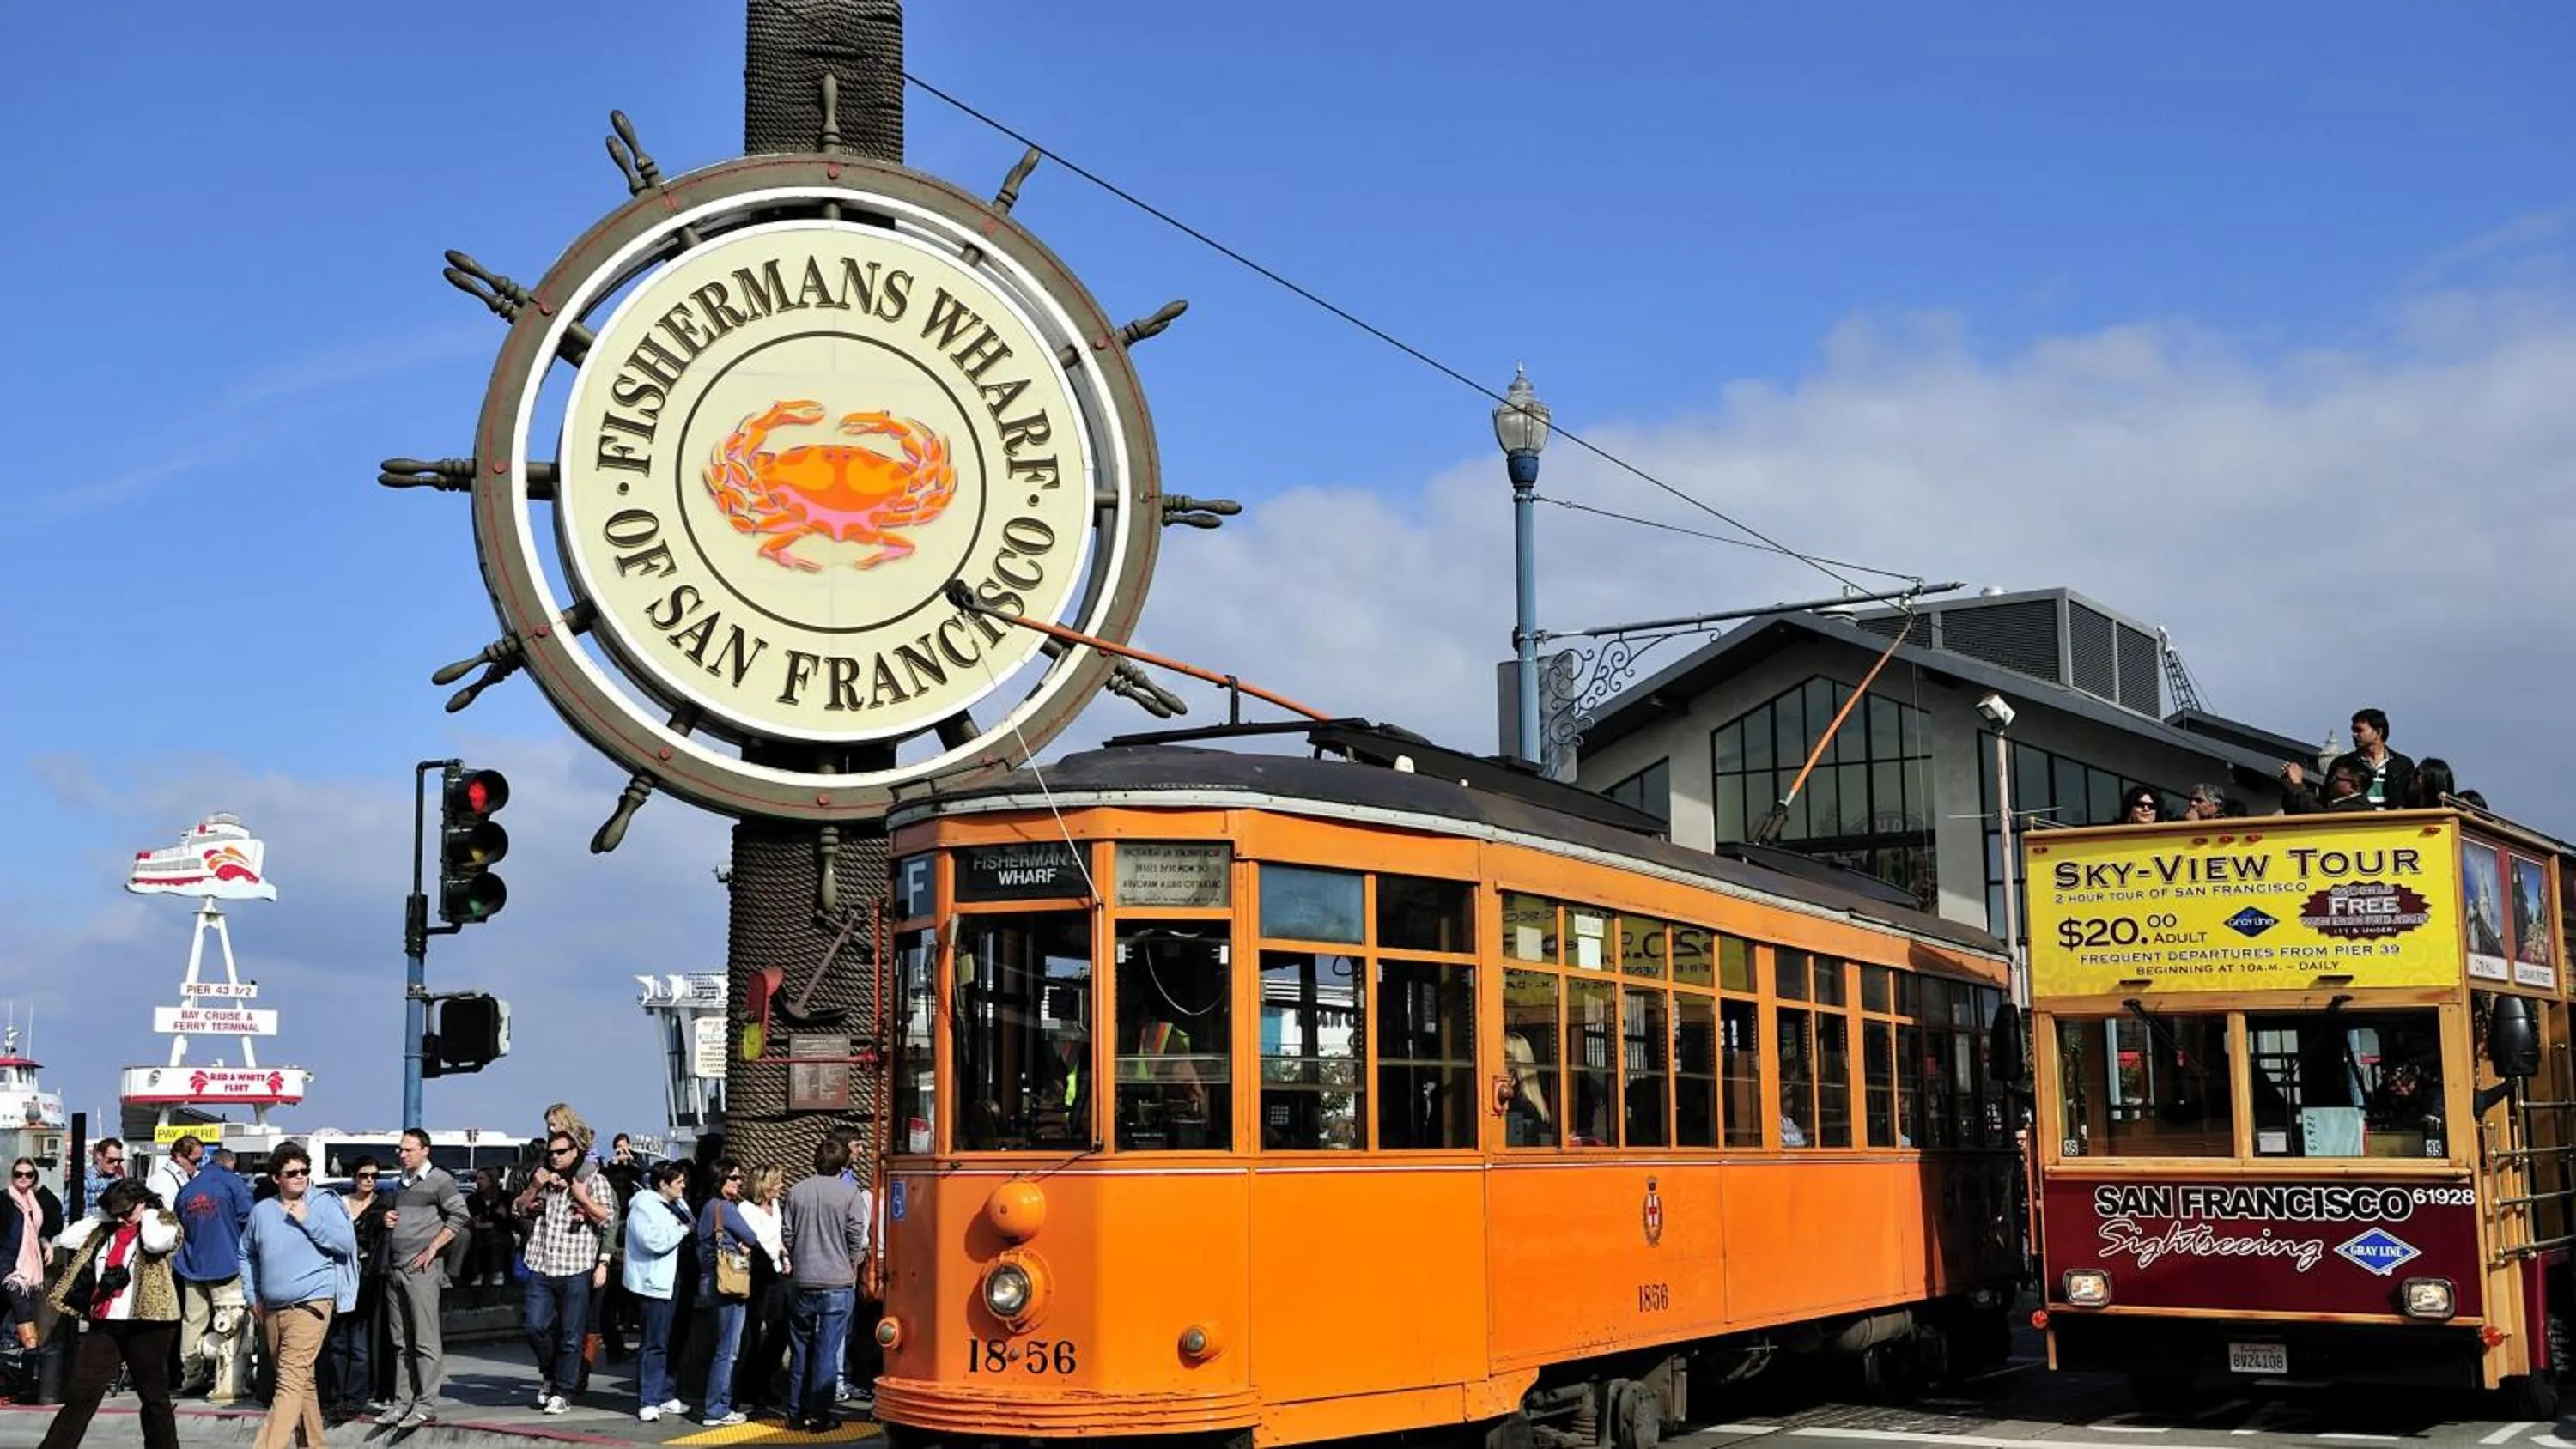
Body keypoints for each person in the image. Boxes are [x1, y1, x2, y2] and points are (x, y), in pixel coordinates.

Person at [37, 1178, 183, 1449]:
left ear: (141, 1202)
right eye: (116, 1212)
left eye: (126, 1211)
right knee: (82, 1393)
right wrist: (103, 1213)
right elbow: (68, 1239)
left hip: (150, 1322)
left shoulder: (163, 1221)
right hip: (106, 1321)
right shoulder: (107, 1229)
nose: (122, 1218)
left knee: (154, 1396)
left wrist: (146, 1212)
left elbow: (154, 1244)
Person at [238, 1142, 355, 1449]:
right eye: (292, 1173)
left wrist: (307, 1220)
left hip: (312, 1303)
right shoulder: (262, 1211)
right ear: (277, 1177)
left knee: (288, 1383)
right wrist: (252, 1295)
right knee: (302, 1383)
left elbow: (345, 1243)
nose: (301, 1177)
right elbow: (246, 1253)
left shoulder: (324, 1203)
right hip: (272, 1307)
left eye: (305, 1171)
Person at [514, 1129, 617, 1415]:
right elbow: (518, 1210)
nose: (555, 1157)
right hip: (541, 1263)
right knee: (534, 1326)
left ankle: (563, 1391)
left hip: (576, 1266)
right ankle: (550, 1373)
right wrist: (534, 1189)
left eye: (561, 1152)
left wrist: (582, 1198)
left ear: (575, 1153)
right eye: (551, 1153)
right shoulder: (542, 1178)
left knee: (572, 1335)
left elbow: (607, 1219)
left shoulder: (595, 1181)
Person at [377, 1129, 468, 1429]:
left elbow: (460, 1215)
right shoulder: (399, 1183)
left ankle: (426, 1404)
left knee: (425, 1340)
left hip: (421, 1269)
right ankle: (403, 1402)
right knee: (401, 1341)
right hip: (396, 1267)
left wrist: (433, 1248)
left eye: (408, 1149)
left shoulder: (439, 1180)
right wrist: (386, 1219)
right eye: (400, 1149)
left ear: (425, 1150)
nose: (402, 1154)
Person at [780, 1136, 870, 1435]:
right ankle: (820, 1414)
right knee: (827, 1351)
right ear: (844, 1162)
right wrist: (851, 1261)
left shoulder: (796, 1191)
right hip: (837, 1280)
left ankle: (794, 1412)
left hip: (803, 1280)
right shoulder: (850, 1193)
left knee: (801, 1348)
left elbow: (788, 1234)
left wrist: (798, 1256)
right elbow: (856, 1234)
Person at [171, 1144, 253, 1403]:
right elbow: (248, 1218)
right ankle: (234, 1378)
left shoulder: (187, 1190)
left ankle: (191, 1376)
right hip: (227, 1265)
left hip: (192, 1265)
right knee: (234, 1323)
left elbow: (178, 1224)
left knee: (192, 1322)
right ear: (230, 1163)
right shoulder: (233, 1183)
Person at [623, 1162, 692, 1422]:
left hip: (676, 1280)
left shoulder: (678, 1205)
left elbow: (690, 1223)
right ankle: (649, 1399)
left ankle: (666, 1392)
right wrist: (682, 1230)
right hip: (655, 1283)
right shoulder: (644, 1206)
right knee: (655, 1342)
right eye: (678, 1182)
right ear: (663, 1184)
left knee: (673, 1339)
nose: (683, 1186)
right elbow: (654, 1241)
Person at [696, 1159, 757, 1427]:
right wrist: (743, 1245)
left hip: (709, 1279)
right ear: (720, 1180)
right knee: (728, 1349)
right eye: (734, 1177)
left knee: (722, 1345)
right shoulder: (726, 1208)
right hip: (728, 1282)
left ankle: (719, 1402)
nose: (739, 1182)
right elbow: (752, 1235)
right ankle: (717, 1407)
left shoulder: (707, 1208)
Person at [732, 1165, 790, 1416]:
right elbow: (755, 1239)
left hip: (776, 1271)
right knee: (753, 1332)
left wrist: (783, 1254)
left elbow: (776, 1237)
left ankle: (766, 1379)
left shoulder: (776, 1206)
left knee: (781, 1328)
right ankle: (749, 1387)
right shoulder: (746, 1209)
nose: (781, 1187)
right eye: (777, 1182)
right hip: (757, 1273)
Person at [2282, 707, 2415, 812]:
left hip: (2392, 832)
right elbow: (2326, 800)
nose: (2354, 735)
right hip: (2352, 830)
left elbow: (2411, 801)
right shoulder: (2342, 764)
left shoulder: (2403, 764)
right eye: (2353, 730)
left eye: (2359, 730)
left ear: (2378, 732)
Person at [3, 1156, 64, 1348]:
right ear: (12, 1177)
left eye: (28, 1174)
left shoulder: (37, 1202)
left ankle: (9, 1348)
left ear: (35, 1178)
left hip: (27, 1262)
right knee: (19, 1299)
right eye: (18, 1174)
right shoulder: (4, 1198)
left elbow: (54, 1217)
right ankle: (31, 1348)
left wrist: (46, 1242)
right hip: (5, 1259)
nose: (23, 1178)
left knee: (14, 1307)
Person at [143, 1137, 199, 1215]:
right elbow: (163, 1214)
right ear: (179, 1156)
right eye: (195, 1161)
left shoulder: (189, 1176)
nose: (197, 1166)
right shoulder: (163, 1179)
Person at [82, 1140, 125, 1217]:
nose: (116, 1164)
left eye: (119, 1160)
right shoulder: (84, 1180)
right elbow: (68, 1214)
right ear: (99, 1156)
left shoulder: (119, 1180)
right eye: (112, 1160)